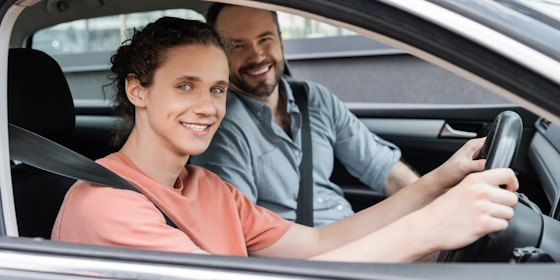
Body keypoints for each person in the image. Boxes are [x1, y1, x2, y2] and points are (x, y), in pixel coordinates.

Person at [52, 16, 519, 262]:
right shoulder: (105, 203)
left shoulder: (209, 188)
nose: (207, 106)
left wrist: (438, 182)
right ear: (138, 90)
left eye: (216, 88)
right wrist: (429, 228)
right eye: (184, 85)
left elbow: (317, 246)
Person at [190, 4, 419, 227]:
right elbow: (240, 233)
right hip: (308, 261)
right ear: (219, 56)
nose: (257, 56)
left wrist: (431, 201)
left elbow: (383, 169)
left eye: (265, 39)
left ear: (280, 41)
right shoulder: (220, 129)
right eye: (238, 45)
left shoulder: (314, 99)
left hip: (355, 235)